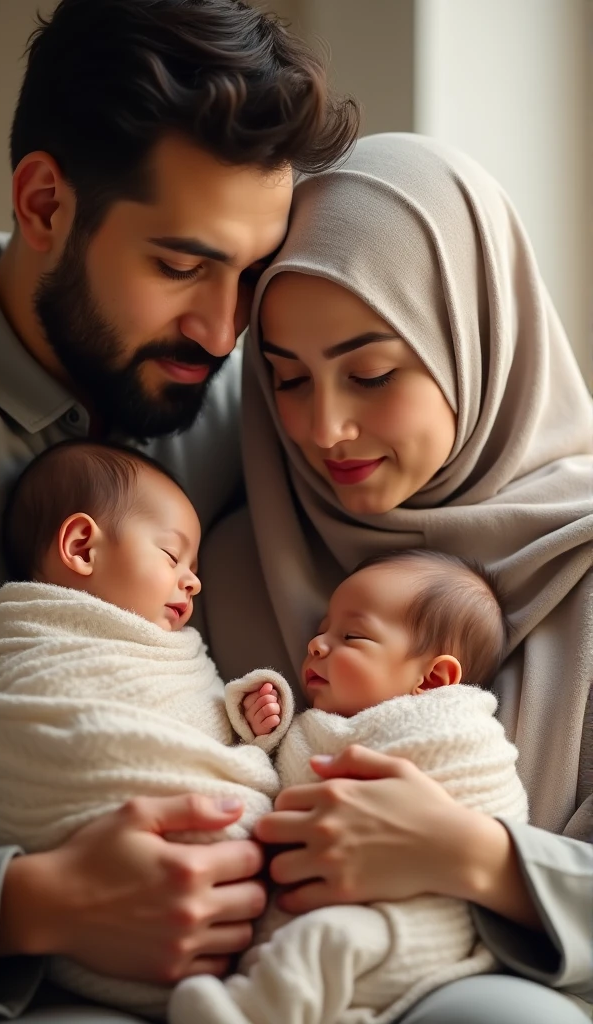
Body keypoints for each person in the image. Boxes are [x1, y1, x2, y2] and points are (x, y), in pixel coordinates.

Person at [0, 0, 358, 1017]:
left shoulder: (262, 407)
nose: (220, 329)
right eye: (179, 265)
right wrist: (26, 906)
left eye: (249, 274)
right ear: (42, 204)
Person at [199, 133, 593, 1022]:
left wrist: (478, 858)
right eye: (287, 379)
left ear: (474, 336)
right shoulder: (228, 562)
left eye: (371, 372)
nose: (326, 426)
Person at [0, 439, 293, 1017]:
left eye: (193, 568)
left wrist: (247, 720)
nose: (193, 583)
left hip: (225, 885)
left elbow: (199, 721)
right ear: (82, 547)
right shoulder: (29, 650)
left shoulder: (170, 652)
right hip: (105, 894)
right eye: (171, 556)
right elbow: (15, 738)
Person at [171, 549, 530, 1024]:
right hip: (318, 898)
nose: (317, 644)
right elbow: (280, 784)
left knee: (322, 944)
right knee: (292, 947)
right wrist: (263, 730)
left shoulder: (457, 727)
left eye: (352, 636)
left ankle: (243, 1014)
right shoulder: (317, 725)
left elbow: (491, 799)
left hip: (417, 916)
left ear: (434, 678)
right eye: (321, 629)